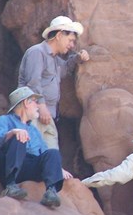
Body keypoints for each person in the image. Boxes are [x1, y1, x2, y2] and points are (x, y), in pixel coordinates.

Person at [0, 86, 73, 208]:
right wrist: (13, 132)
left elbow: (45, 153)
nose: (37, 106)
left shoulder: (33, 130)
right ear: (25, 103)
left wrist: (57, 168)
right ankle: (11, 185)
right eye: (34, 101)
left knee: (53, 153)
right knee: (19, 138)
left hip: (26, 166)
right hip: (6, 165)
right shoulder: (5, 120)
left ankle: (51, 192)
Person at [18, 15, 90, 149]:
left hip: (47, 116)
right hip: (33, 114)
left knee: (51, 155)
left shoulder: (54, 59)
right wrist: (42, 106)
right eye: (70, 40)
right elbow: (33, 83)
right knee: (32, 152)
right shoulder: (37, 52)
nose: (72, 45)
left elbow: (65, 69)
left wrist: (78, 58)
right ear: (59, 35)